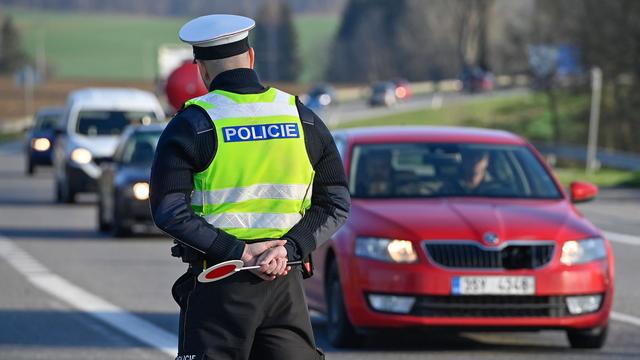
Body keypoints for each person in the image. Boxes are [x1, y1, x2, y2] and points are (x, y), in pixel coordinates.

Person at [149, 14, 350, 360]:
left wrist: (240, 253)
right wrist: (288, 249)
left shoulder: (193, 124)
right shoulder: (300, 116)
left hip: (219, 283)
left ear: (203, 70)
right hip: (285, 282)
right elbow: (335, 202)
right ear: (251, 58)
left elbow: (168, 210)